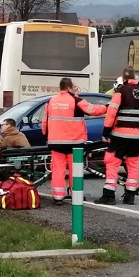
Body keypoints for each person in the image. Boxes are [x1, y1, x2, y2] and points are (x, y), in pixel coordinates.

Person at [42, 77, 107, 205]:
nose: (75, 88)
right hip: (74, 142)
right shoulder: (76, 100)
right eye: (74, 86)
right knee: (75, 169)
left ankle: (58, 196)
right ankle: (75, 194)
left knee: (58, 169)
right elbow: (93, 110)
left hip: (56, 142)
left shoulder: (51, 101)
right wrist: (108, 107)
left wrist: (47, 136)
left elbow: (45, 122)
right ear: (69, 88)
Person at [96, 67, 139, 206]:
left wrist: (106, 133)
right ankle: (130, 196)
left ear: (124, 79)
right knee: (133, 164)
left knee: (112, 162)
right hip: (137, 135)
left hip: (119, 134)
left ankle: (109, 195)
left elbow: (111, 114)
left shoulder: (120, 91)